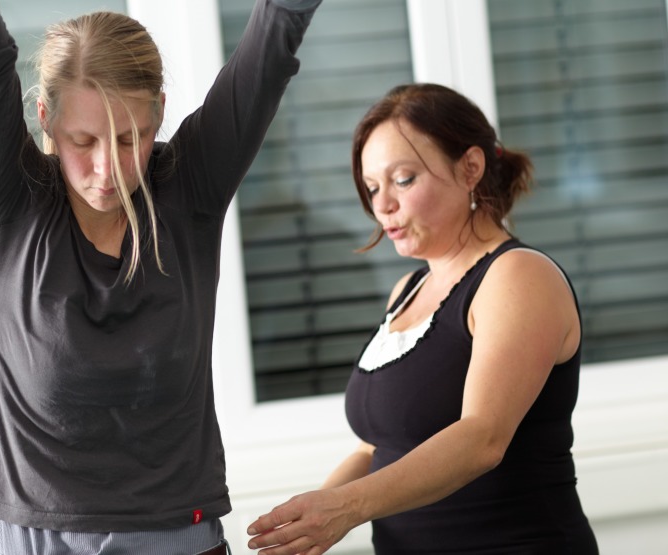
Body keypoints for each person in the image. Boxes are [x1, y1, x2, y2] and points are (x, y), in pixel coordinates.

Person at [0, 0, 322, 553]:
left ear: (160, 113)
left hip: (178, 537)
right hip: (39, 539)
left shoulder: (188, 189)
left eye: (129, 139)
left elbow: (275, 35)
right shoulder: (10, 201)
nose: (109, 169)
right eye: (84, 142)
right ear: (45, 117)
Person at [246, 83, 599, 554]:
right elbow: (378, 447)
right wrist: (302, 524)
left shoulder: (517, 275)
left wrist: (346, 508)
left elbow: (482, 437)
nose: (383, 205)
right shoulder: (407, 291)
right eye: (372, 187)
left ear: (470, 168)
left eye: (403, 179)